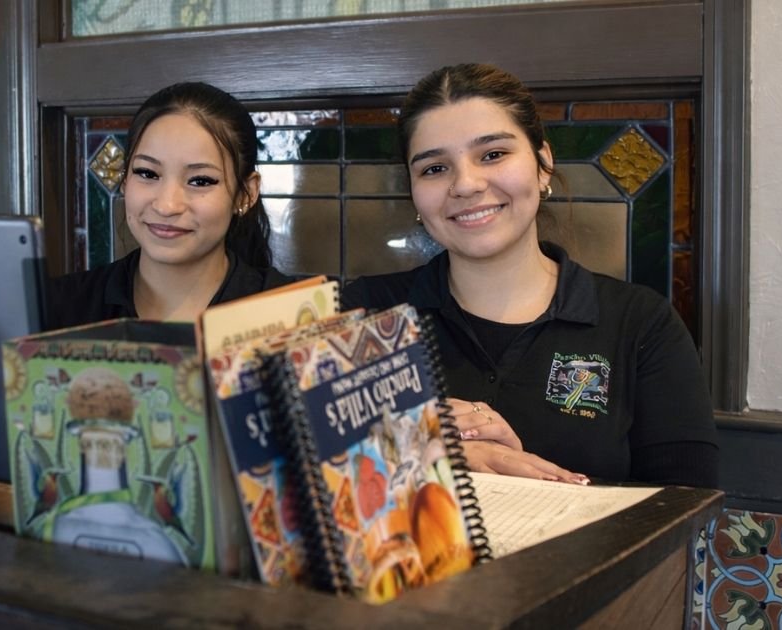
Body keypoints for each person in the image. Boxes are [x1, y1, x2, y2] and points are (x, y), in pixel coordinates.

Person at [343, 64, 718, 488]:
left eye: (493, 154)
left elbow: (687, 504)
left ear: (543, 164)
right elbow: (309, 478)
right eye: (434, 168)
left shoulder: (641, 323)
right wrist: (421, 447)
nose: (465, 184)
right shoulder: (363, 315)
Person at [45, 82, 291, 328]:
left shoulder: (294, 317)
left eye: (200, 181)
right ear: (125, 179)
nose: (167, 206)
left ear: (246, 194)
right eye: (148, 173)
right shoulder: (55, 310)